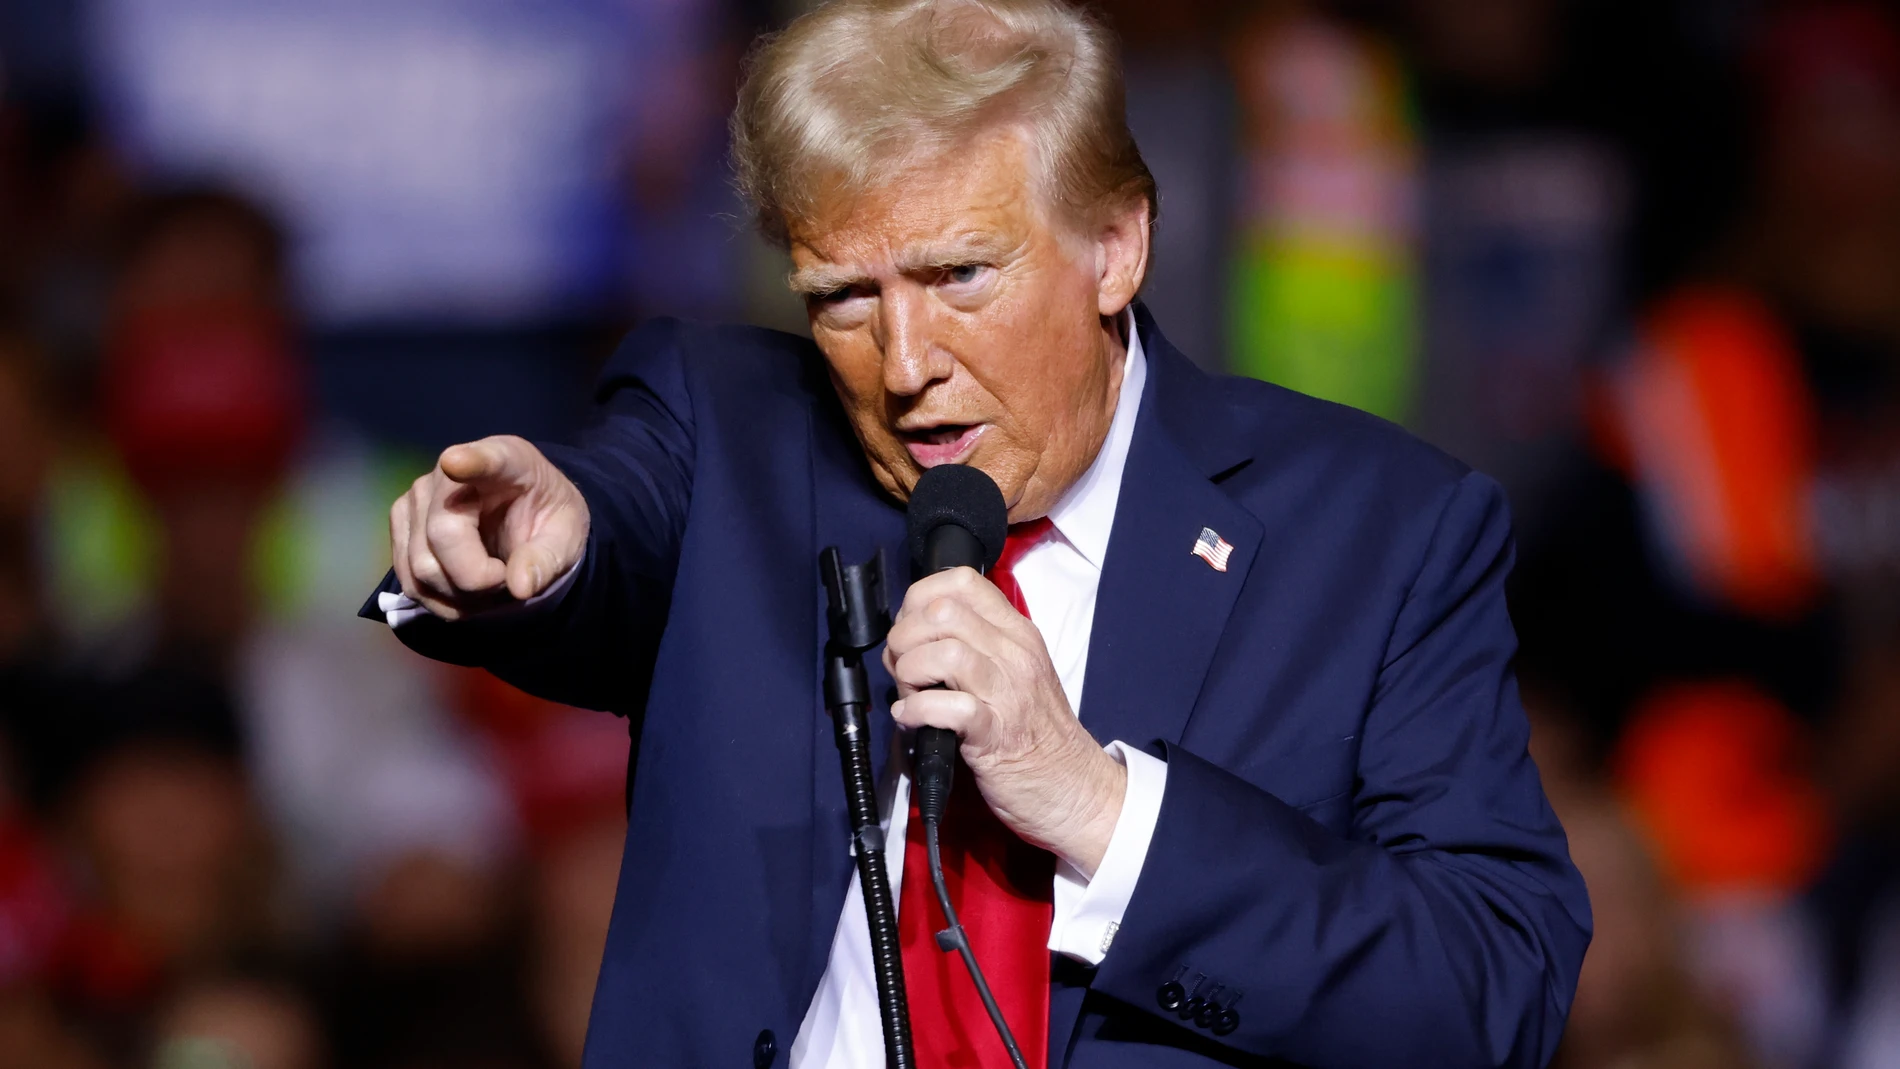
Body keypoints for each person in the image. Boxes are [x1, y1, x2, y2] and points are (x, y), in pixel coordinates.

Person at [365, 1, 1590, 1066]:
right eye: (844, 297)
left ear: (1115, 247)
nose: (905, 366)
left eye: (959, 276)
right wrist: (537, 543)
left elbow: (1495, 988)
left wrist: (1098, 807)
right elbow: (612, 522)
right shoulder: (728, 434)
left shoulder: (1381, 531)